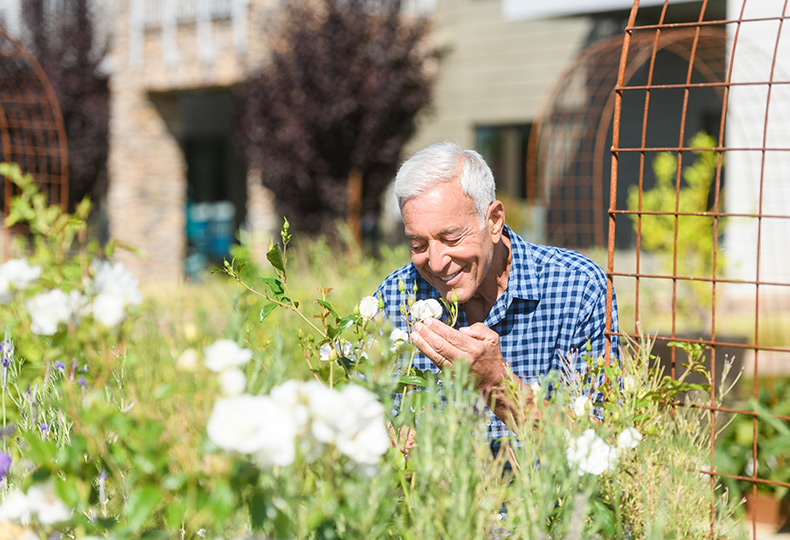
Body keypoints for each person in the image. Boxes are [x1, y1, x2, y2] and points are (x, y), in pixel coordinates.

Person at [375, 141, 619, 442]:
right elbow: (370, 420)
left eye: (451, 238)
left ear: (493, 221)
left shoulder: (577, 287)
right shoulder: (395, 298)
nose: (436, 263)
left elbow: (599, 444)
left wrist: (496, 382)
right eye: (418, 245)